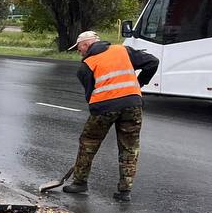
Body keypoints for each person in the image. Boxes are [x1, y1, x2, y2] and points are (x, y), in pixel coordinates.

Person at [63, 30, 159, 202]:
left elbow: (90, 95)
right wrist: (139, 84)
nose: (79, 52)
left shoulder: (86, 65)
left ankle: (79, 183)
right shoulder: (122, 50)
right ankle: (124, 192)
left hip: (104, 107)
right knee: (129, 148)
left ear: (86, 45)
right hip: (133, 104)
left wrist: (98, 114)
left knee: (88, 142)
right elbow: (153, 62)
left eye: (79, 49)